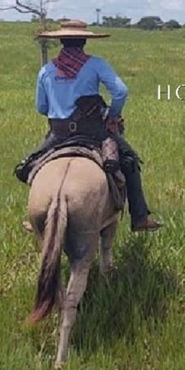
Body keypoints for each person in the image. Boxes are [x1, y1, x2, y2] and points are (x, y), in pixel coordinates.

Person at [16, 19, 162, 232]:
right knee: (129, 161)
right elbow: (121, 92)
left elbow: (41, 107)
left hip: (58, 134)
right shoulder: (96, 64)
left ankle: (35, 217)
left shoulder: (46, 70)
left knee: (28, 166)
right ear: (84, 41)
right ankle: (139, 217)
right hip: (93, 132)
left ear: (61, 41)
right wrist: (112, 114)